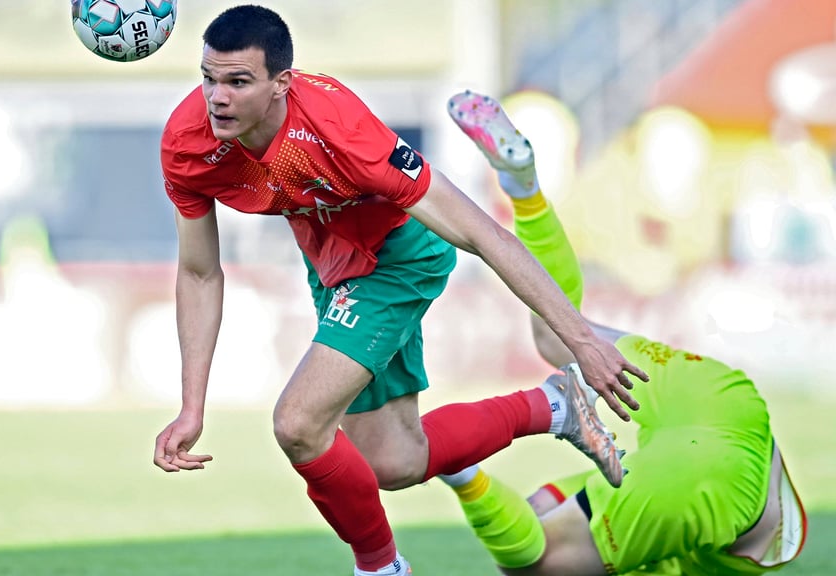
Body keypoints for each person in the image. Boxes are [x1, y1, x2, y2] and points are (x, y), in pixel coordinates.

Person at [151, 6, 650, 575]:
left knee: (298, 423)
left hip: (399, 253)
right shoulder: (188, 144)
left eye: (238, 82)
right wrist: (193, 406)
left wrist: (582, 341)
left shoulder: (340, 128)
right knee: (392, 462)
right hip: (333, 262)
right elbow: (197, 271)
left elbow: (482, 234)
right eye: (209, 78)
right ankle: (553, 406)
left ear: (280, 85)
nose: (217, 97)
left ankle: (383, 568)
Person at [438, 89, 809, 575]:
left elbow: (552, 502)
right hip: (709, 485)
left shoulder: (661, 519)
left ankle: (525, 190)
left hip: (729, 404)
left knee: (562, 336)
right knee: (534, 566)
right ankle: (461, 470)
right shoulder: (669, 520)